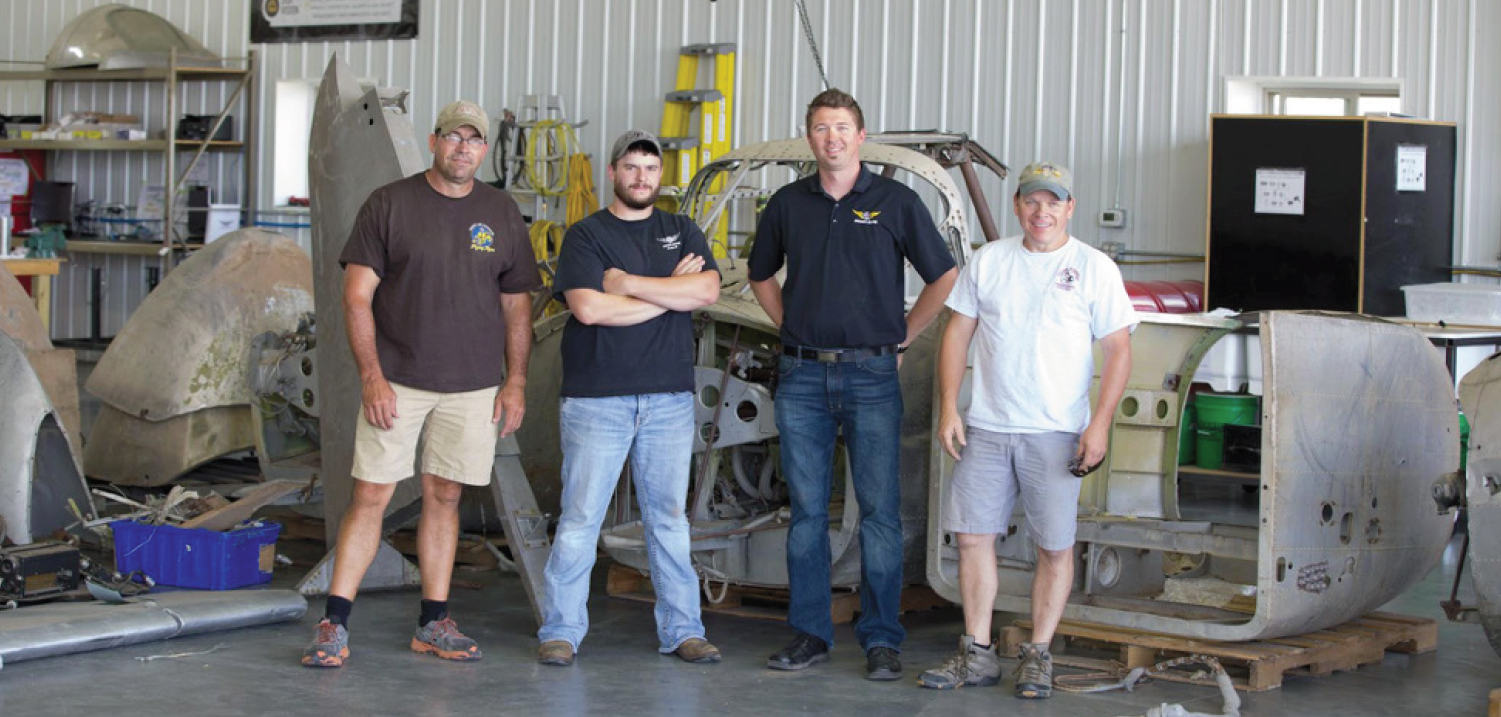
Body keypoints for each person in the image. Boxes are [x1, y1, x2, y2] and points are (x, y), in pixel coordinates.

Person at [302, 100, 540, 668]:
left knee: (446, 496)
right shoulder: (390, 204)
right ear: (434, 141)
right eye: (454, 137)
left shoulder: (501, 211)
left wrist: (516, 383)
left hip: (474, 387)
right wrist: (372, 378)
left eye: (474, 140)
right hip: (399, 382)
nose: (463, 148)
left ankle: (433, 622)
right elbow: (355, 298)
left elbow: (517, 307)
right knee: (372, 495)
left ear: (484, 149)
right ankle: (334, 622)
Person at [747, 89, 959, 681]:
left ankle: (882, 638)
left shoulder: (895, 201)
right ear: (809, 137)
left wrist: (905, 336)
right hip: (803, 376)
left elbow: (943, 276)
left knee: (880, 514)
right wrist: (788, 326)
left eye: (841, 128)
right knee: (808, 513)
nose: (831, 138)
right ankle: (809, 634)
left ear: (861, 136)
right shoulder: (788, 203)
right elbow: (760, 274)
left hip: (871, 375)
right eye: (820, 128)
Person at [916, 161, 1136, 698]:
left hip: (1057, 431)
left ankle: (1038, 654)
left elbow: (1119, 350)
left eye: (1053, 202)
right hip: (988, 426)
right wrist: (950, 407)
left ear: (1069, 208)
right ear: (1017, 206)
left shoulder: (1094, 267)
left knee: (1055, 546)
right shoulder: (989, 262)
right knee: (972, 537)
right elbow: (955, 336)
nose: (1042, 212)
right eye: (1031, 201)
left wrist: (1099, 425)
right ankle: (977, 651)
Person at [534, 129, 723, 667]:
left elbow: (706, 291)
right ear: (613, 172)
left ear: (660, 176)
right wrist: (669, 294)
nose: (642, 177)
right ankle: (562, 632)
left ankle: (683, 630)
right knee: (579, 519)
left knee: (668, 520)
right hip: (598, 400)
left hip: (667, 399)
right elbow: (590, 310)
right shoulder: (585, 235)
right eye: (631, 167)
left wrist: (627, 283)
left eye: (651, 168)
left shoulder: (679, 228)